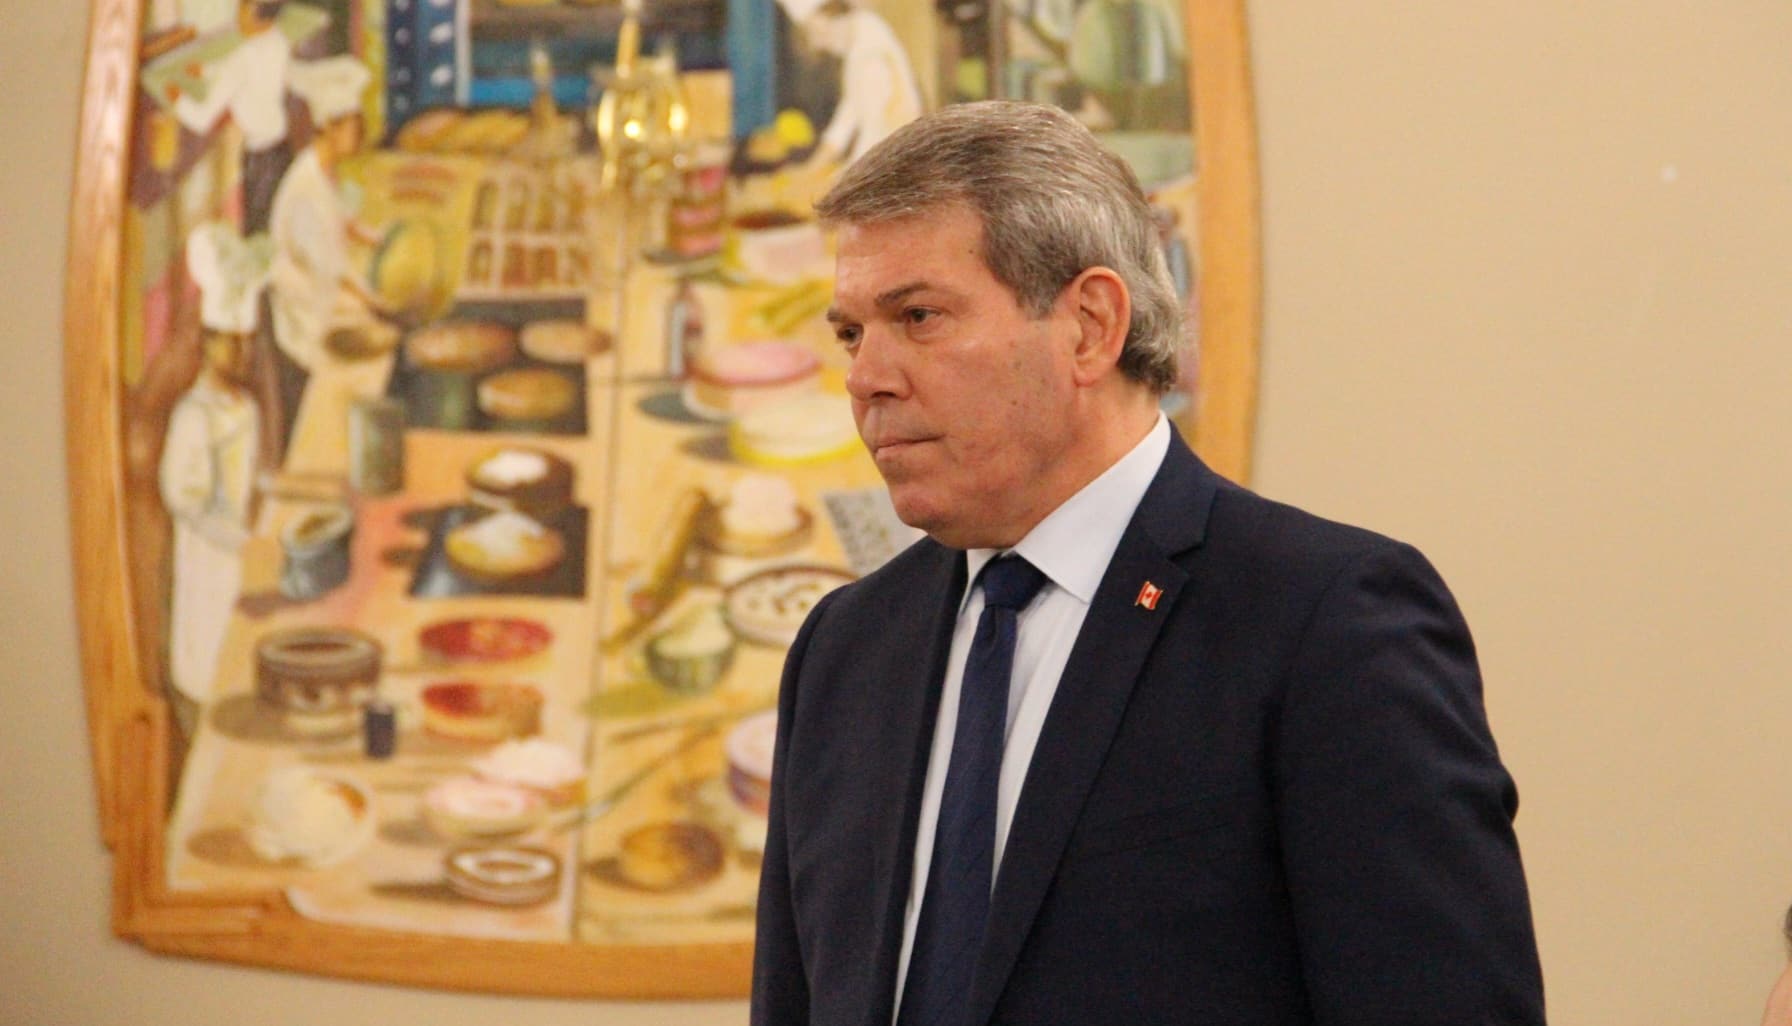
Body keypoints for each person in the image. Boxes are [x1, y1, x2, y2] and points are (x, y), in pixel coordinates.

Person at [751, 101, 1545, 1024]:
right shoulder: (844, 650)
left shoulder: (1327, 623)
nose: (864, 378)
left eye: (917, 316)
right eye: (852, 333)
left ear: (1090, 325)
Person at [160, 222, 271, 741]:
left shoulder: (245, 407)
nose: (242, 355)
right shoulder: (193, 416)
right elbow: (184, 499)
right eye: (232, 344)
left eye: (247, 344)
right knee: (207, 671)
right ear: (207, 343)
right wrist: (239, 542)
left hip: (238, 558)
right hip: (208, 560)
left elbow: (247, 480)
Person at [267, 55, 390, 472]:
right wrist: (375, 300)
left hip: (320, 300)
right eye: (353, 125)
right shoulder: (306, 190)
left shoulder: (321, 170)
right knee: (335, 412)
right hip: (305, 322)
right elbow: (332, 271)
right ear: (330, 128)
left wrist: (371, 235)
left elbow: (339, 221)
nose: (359, 134)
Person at [168, 0, 295, 232]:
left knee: (258, 234)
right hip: (282, 150)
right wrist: (206, 71)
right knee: (275, 229)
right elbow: (252, 76)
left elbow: (201, 119)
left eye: (244, 13)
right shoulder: (279, 41)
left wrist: (177, 99)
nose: (238, 19)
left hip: (260, 160)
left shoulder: (242, 58)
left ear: (262, 19)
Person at [777, 0, 922, 169]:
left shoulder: (871, 53)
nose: (818, 44)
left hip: (896, 160)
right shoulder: (858, 42)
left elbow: (874, 132)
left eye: (814, 32)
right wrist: (813, 167)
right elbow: (847, 117)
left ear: (827, 14)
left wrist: (846, 175)